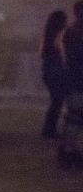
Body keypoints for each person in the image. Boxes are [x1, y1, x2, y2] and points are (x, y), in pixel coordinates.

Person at [59, 0, 83, 168]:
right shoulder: (77, 32)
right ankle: (68, 150)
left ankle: (68, 149)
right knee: (75, 117)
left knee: (73, 116)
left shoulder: (71, 30)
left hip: (73, 78)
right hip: (78, 79)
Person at [40, 10, 68, 138]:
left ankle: (49, 128)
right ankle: (49, 129)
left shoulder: (47, 33)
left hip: (47, 69)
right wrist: (65, 61)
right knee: (57, 100)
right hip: (56, 70)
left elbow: (41, 52)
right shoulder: (61, 32)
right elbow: (59, 46)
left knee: (56, 100)